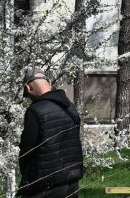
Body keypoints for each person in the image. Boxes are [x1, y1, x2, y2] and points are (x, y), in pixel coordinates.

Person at [18, 67, 84, 198]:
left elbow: (27, 150)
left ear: (28, 88)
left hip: (45, 186)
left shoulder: (35, 110)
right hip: (71, 183)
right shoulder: (70, 107)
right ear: (49, 83)